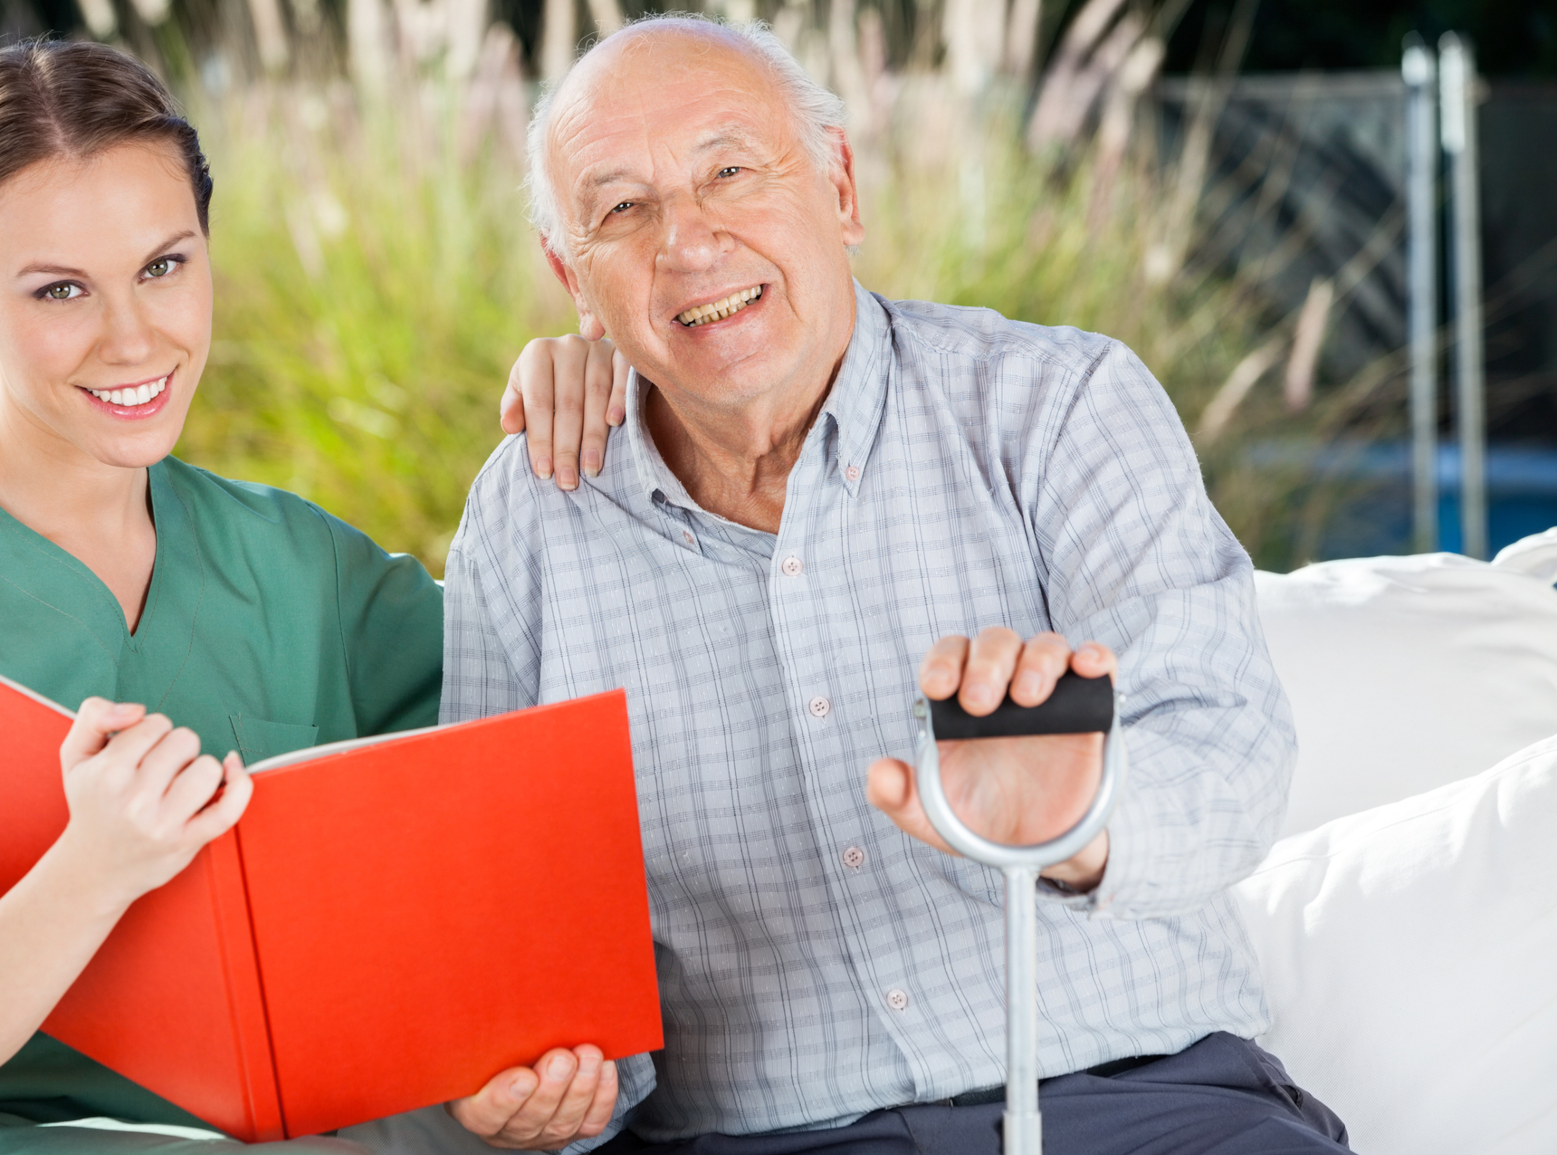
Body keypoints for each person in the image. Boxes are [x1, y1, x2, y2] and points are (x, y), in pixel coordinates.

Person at [440, 15, 1352, 1155]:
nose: (689, 240)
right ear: (571, 273)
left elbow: (1228, 755)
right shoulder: (531, 516)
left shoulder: (1054, 408)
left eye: (731, 170)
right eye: (623, 208)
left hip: (1143, 1105)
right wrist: (554, 1092)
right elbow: (521, 940)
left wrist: (1074, 822)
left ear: (840, 188)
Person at [0, 38, 618, 1155]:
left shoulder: (295, 564)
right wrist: (92, 868)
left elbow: (543, 750)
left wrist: (610, 387)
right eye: (60, 290)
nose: (134, 337)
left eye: (165, 266)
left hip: (252, 1125)